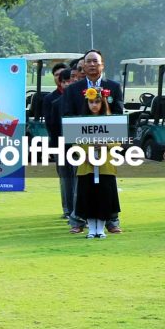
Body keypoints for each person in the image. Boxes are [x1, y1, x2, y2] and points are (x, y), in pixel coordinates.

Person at [74, 86, 121, 239]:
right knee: (88, 197)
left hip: (105, 166)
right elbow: (74, 143)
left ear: (102, 103)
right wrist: (84, 153)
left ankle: (100, 229)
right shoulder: (80, 122)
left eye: (97, 102)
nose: (94, 105)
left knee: (103, 197)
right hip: (86, 165)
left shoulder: (110, 121)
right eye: (91, 102)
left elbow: (118, 142)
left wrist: (106, 146)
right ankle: (91, 229)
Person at [45, 65, 78, 229]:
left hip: (78, 144)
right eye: (64, 79)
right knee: (66, 177)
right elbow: (52, 126)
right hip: (61, 144)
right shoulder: (53, 100)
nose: (67, 83)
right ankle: (69, 209)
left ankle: (77, 210)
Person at [67, 49, 124, 116]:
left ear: (102, 65)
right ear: (84, 66)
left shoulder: (115, 87)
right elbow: (69, 115)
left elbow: (118, 114)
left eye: (95, 61)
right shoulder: (72, 89)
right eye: (88, 61)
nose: (92, 64)